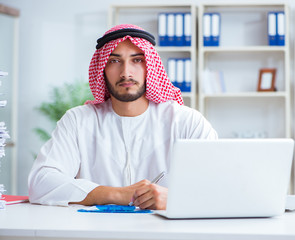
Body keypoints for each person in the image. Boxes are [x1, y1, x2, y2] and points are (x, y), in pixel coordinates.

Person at [28, 24, 218, 210]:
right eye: (114, 61)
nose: (126, 72)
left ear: (150, 67)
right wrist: (118, 194)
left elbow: (220, 184)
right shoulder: (78, 121)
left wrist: (176, 199)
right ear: (102, 69)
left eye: (137, 60)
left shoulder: (186, 122)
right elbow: (41, 182)